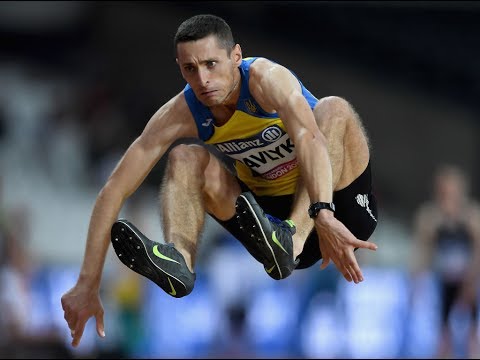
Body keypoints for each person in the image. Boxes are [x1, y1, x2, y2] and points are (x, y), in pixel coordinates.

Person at [61, 14, 379, 348]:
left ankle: (293, 239)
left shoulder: (266, 81)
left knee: (333, 109)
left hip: (338, 208)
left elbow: (311, 139)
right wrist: (87, 282)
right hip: (268, 223)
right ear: (180, 68)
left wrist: (323, 215)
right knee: (185, 157)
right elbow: (114, 188)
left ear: (236, 56)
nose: (203, 80)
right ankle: (180, 260)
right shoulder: (183, 111)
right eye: (190, 69)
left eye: (211, 64)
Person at [412, 164, 480, 358]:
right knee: (443, 332)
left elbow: (478, 250)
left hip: (468, 279)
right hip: (443, 280)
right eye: (444, 190)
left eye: (452, 190)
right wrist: (416, 279)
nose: (448, 195)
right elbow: (422, 251)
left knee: (471, 332)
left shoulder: (471, 215)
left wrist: (472, 280)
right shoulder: (431, 216)